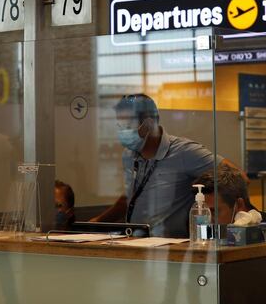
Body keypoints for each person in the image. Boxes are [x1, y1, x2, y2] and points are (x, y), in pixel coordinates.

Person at [91, 93, 239, 238]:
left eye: (127, 125)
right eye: (119, 125)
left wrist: (227, 216)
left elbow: (238, 177)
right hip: (135, 242)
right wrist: (97, 222)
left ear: (148, 124)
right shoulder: (129, 155)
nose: (122, 131)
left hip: (171, 248)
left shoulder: (184, 152)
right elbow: (131, 197)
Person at [196, 166, 266, 284]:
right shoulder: (207, 232)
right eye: (202, 212)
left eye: (213, 211)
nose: (206, 221)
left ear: (238, 205)